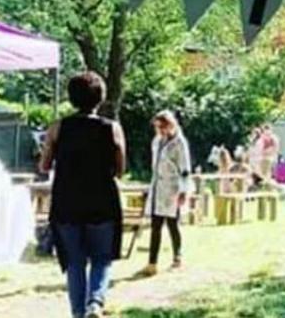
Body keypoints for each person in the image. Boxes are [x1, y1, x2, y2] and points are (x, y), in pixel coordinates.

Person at [40, 72, 126, 318]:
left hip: (67, 201)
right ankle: (95, 302)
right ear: (101, 97)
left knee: (75, 262)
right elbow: (120, 169)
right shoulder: (113, 129)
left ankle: (78, 313)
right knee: (102, 257)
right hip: (102, 201)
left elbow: (44, 166)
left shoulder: (58, 127)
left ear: (71, 98)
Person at [141, 110, 191, 277]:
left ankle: (178, 256)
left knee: (172, 223)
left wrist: (184, 190)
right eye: (157, 128)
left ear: (170, 125)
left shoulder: (179, 142)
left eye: (162, 127)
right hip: (158, 187)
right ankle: (152, 263)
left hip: (173, 187)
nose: (160, 131)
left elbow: (185, 168)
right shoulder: (157, 141)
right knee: (155, 225)